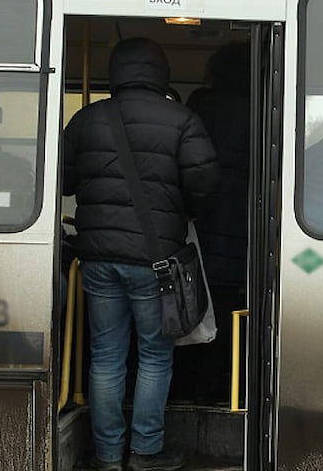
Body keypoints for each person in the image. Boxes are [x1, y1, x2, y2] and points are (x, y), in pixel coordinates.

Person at [63, 37, 219, 471]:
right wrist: (179, 211)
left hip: (96, 258)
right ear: (160, 74)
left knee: (106, 356)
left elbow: (63, 182)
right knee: (154, 354)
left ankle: (108, 455)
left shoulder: (85, 120)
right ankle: (145, 452)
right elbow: (206, 184)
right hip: (157, 261)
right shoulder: (182, 119)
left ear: (115, 74)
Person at [172, 42, 250, 405]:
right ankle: (221, 392)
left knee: (191, 312)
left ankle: (187, 392)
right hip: (239, 231)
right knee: (228, 315)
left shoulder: (197, 111)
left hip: (195, 230)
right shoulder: (258, 113)